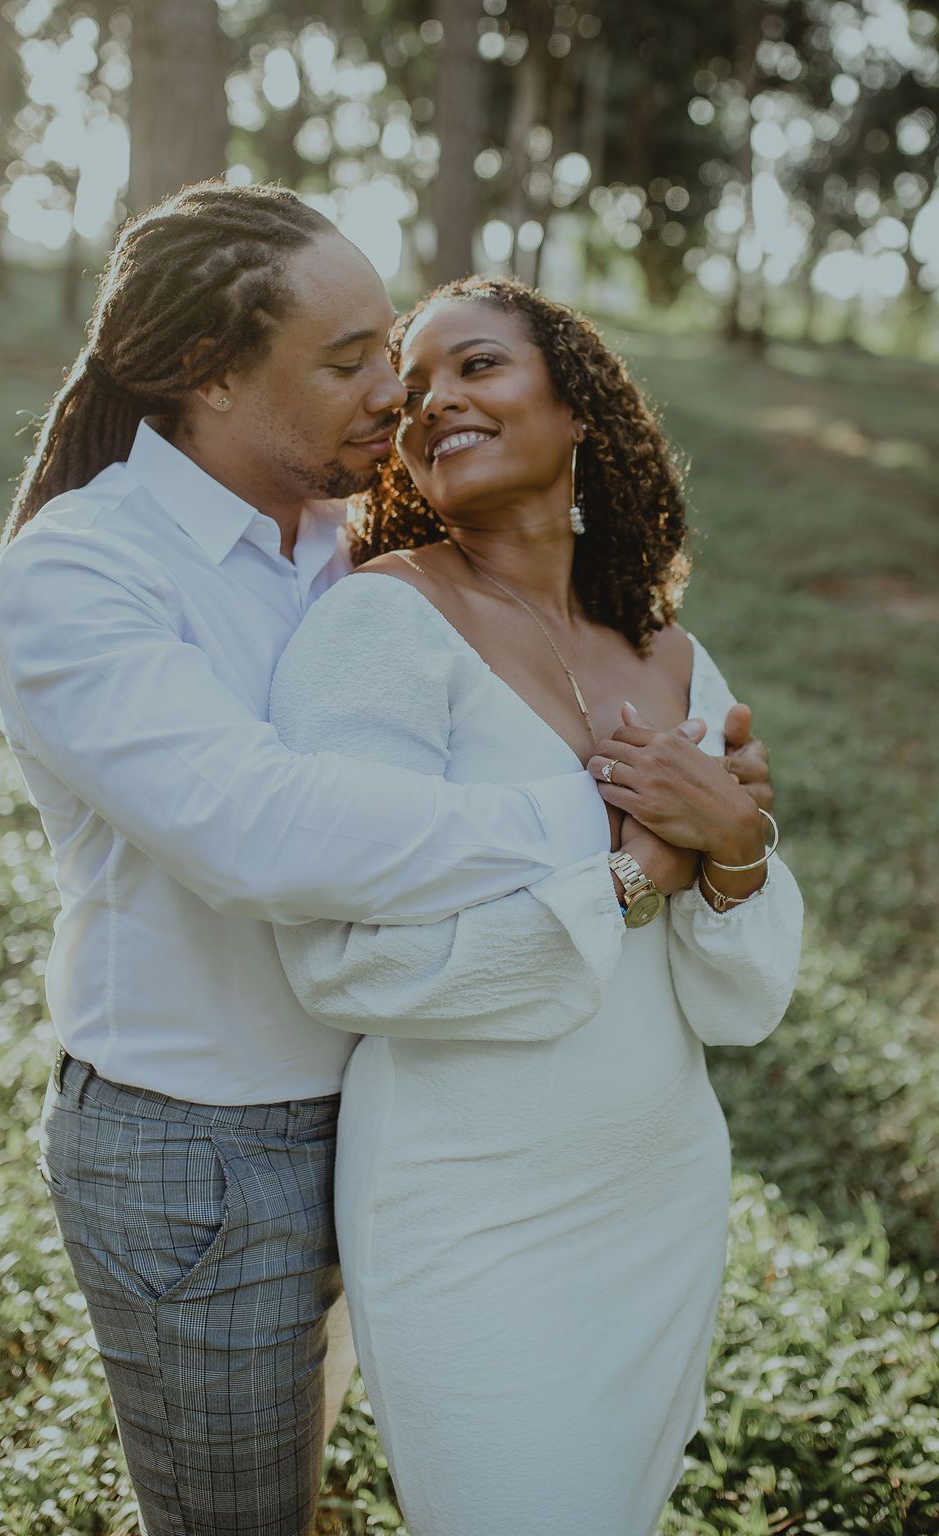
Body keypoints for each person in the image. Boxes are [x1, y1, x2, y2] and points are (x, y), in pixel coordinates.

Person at [0, 181, 772, 1536]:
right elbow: (262, 832)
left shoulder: (345, 547)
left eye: (390, 350)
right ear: (210, 372)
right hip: (205, 1143)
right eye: (350, 361)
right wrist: (618, 824)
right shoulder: (86, 570)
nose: (393, 396)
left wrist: (724, 827)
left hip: (402, 1113)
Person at [268, 275, 804, 1536]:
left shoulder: (674, 655)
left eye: (477, 366)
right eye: (413, 390)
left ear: (577, 411)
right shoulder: (381, 622)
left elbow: (738, 1004)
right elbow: (346, 962)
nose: (432, 402)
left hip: (659, 1184)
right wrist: (632, 878)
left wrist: (736, 850)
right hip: (468, 1199)